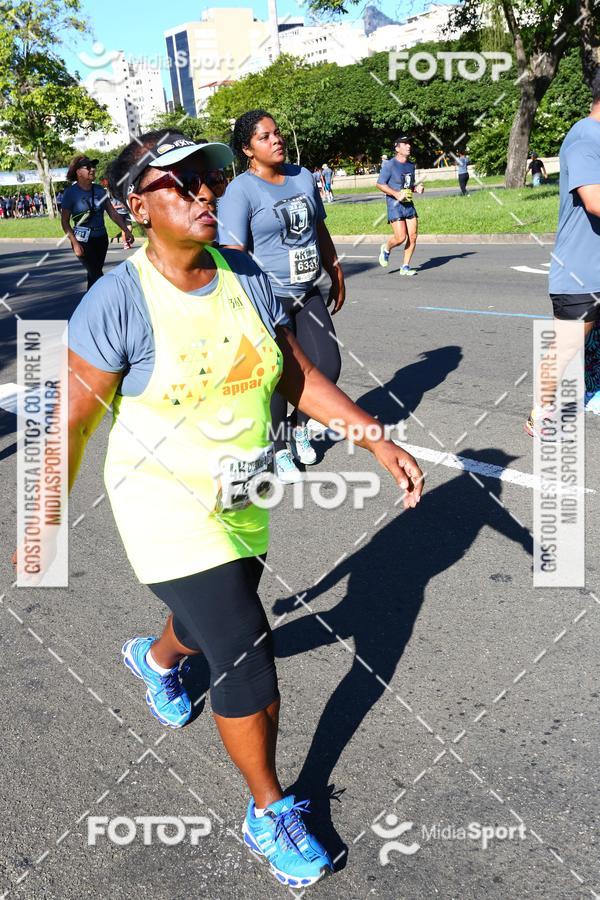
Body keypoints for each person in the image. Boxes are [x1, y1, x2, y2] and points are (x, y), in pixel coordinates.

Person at [60, 128, 424, 887]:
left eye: (208, 178)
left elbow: (292, 373)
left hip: (242, 493)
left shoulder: (246, 275)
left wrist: (373, 439)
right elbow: (70, 420)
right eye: (179, 183)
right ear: (137, 205)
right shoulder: (117, 301)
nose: (203, 192)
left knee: (207, 620)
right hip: (161, 504)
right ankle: (269, 808)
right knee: (245, 653)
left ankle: (158, 660)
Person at [218, 109, 346, 483]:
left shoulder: (303, 177)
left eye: (277, 133)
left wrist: (334, 268)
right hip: (267, 299)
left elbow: (318, 227)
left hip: (307, 291)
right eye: (264, 137)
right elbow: (233, 250)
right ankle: (278, 449)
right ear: (247, 149)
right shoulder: (240, 190)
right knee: (275, 377)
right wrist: (243, 303)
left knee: (329, 364)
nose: (276, 140)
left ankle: (300, 426)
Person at [526, 85, 600, 435]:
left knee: (592, 340)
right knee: (568, 345)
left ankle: (594, 393)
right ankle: (539, 412)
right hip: (580, 272)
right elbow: (594, 201)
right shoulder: (586, 139)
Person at [61, 155, 134, 290]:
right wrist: (75, 243)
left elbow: (112, 213)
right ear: (78, 172)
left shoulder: (100, 190)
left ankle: (90, 306)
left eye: (93, 166)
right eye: (88, 167)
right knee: (97, 275)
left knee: (93, 275)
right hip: (83, 241)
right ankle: (105, 301)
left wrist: (126, 229)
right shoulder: (71, 193)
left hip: (101, 239)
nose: (92, 169)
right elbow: (64, 222)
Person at [377, 135, 425, 276]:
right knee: (400, 237)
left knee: (413, 236)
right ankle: (386, 249)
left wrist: (417, 188)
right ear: (397, 148)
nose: (408, 146)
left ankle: (405, 266)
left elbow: (409, 185)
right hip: (394, 204)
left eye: (409, 143)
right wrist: (396, 194)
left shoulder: (411, 165)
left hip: (408, 204)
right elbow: (380, 184)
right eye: (405, 144)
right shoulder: (390, 165)